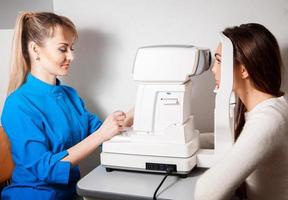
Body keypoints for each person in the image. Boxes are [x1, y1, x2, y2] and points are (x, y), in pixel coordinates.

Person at [1, 12, 132, 199]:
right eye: (63, 49)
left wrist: (142, 108)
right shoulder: (18, 105)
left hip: (72, 194)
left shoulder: (69, 95)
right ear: (35, 50)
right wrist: (102, 134)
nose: (72, 56)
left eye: (72, 48)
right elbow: (45, 168)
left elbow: (104, 133)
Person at [194, 23, 288, 200]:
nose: (214, 69)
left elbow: (206, 192)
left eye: (219, 61)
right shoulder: (269, 108)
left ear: (243, 70)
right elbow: (236, 141)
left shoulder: (269, 120)